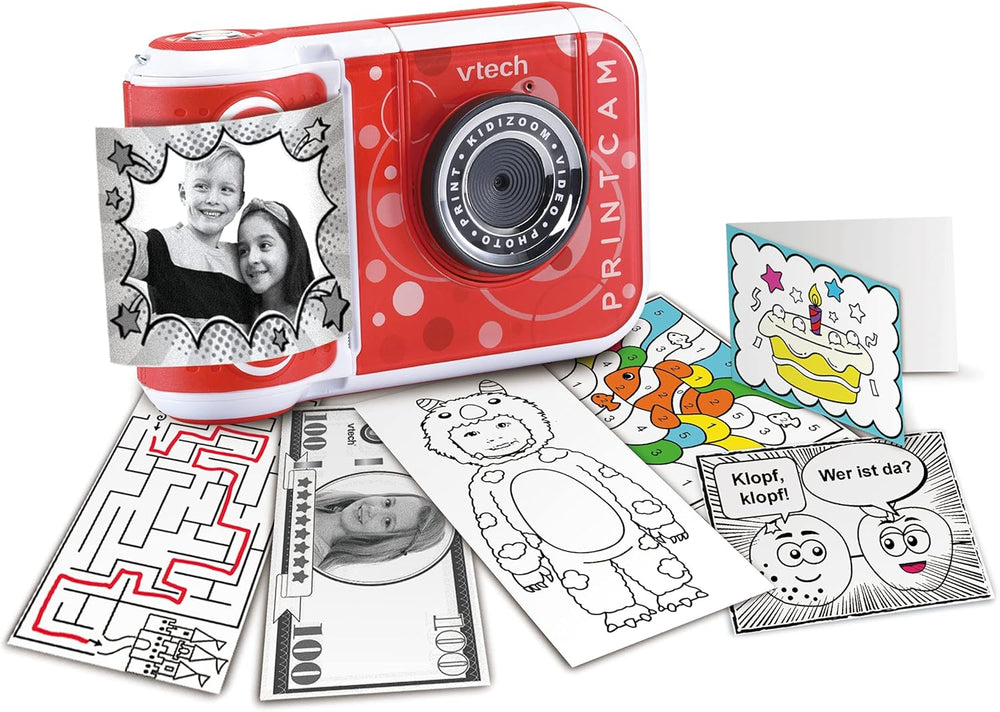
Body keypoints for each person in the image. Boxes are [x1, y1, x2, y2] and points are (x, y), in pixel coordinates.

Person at [128, 143, 257, 326]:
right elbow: (113, 244)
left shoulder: (244, 260)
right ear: (183, 193)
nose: (213, 199)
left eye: (226, 189)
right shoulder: (161, 246)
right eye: (201, 186)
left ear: (240, 201)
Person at [312, 489, 449, 574]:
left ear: (381, 542)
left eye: (387, 522)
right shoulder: (317, 496)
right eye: (387, 503)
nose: (372, 510)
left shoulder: (310, 559)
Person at [237, 198, 315, 322]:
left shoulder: (315, 318)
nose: (251, 259)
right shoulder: (238, 317)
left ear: (291, 248)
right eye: (243, 251)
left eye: (264, 245)